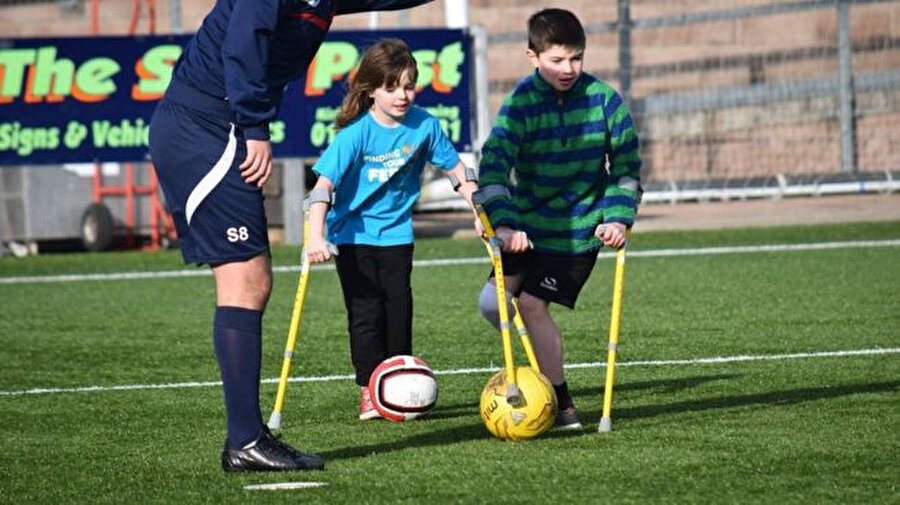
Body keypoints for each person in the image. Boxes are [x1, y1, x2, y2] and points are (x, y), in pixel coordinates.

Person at [148, 0, 434, 473]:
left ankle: (246, 438)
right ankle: (244, 440)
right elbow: (243, 45)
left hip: (222, 125)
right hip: (208, 127)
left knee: (251, 281)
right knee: (246, 279)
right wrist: (254, 125)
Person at [475, 8, 642, 430]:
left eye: (576, 58)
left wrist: (617, 219)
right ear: (532, 57)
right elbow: (494, 165)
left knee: (531, 304)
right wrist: (504, 223)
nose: (568, 69)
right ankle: (537, 384)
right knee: (491, 304)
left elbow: (626, 168)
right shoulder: (521, 104)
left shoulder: (604, 100)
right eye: (556, 60)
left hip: (578, 233)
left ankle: (559, 400)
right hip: (526, 228)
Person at [304, 38, 478, 420]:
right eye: (391, 87)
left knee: (399, 308)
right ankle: (369, 389)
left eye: (409, 86)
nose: (402, 95)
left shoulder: (425, 126)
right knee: (366, 312)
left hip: (397, 234)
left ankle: (400, 384)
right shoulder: (355, 135)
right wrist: (315, 237)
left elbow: (457, 172)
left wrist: (480, 213)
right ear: (370, 91)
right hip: (352, 236)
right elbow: (320, 190)